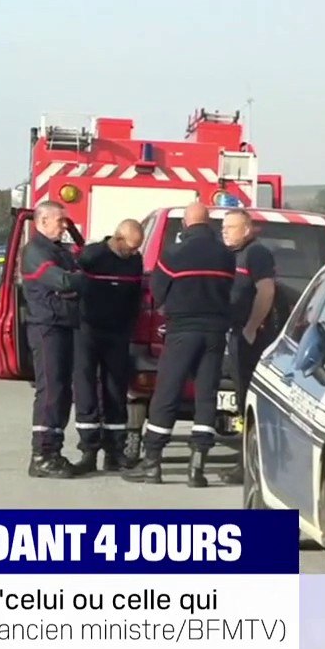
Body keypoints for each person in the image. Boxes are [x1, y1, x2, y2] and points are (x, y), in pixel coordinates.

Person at [123, 202, 234, 487]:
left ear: (185, 225)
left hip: (182, 331)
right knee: (206, 396)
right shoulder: (226, 255)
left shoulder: (173, 254)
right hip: (215, 332)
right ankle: (197, 469)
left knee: (167, 393)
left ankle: (152, 466)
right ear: (208, 224)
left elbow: (157, 293)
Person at [21, 200, 88, 478]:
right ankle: (42, 454)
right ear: (42, 221)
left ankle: (54, 451)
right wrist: (76, 281)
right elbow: (62, 281)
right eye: (60, 221)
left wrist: (75, 280)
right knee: (50, 390)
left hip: (62, 323)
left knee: (61, 391)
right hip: (46, 326)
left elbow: (73, 277)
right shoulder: (35, 251)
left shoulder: (57, 250)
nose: (65, 226)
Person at [72, 219, 145, 473]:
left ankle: (115, 451)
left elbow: (136, 296)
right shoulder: (92, 256)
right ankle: (88, 451)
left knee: (116, 390)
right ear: (118, 238)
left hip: (118, 333)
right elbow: (73, 286)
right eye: (131, 247)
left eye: (138, 248)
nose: (134, 253)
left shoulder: (135, 261)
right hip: (88, 330)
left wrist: (130, 326)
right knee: (86, 388)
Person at [217, 209, 279, 485]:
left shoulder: (256, 253)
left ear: (247, 229)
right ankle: (245, 460)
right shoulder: (230, 255)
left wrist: (252, 327)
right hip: (233, 334)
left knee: (250, 402)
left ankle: (249, 466)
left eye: (231, 227)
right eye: (223, 227)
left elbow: (266, 290)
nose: (225, 231)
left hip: (252, 337)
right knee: (241, 400)